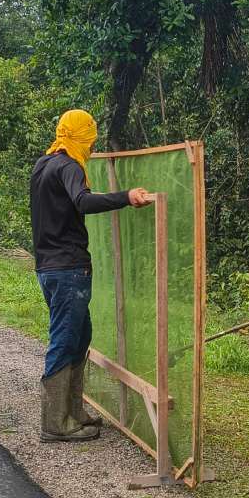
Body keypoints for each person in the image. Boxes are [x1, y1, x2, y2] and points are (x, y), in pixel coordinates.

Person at [30, 109, 153, 442]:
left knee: (80, 336)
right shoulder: (69, 166)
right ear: (81, 134)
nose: (92, 142)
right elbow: (82, 202)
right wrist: (125, 197)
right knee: (65, 339)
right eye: (91, 135)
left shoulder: (44, 164)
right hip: (68, 268)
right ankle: (56, 424)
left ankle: (72, 412)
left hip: (49, 267)